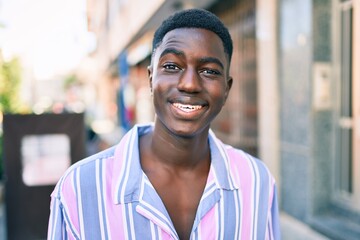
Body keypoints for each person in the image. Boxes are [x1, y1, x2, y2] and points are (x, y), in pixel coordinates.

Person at [47, 8, 280, 240]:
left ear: (227, 88)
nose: (189, 84)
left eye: (209, 71)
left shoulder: (256, 181)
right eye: (171, 66)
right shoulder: (78, 189)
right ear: (151, 79)